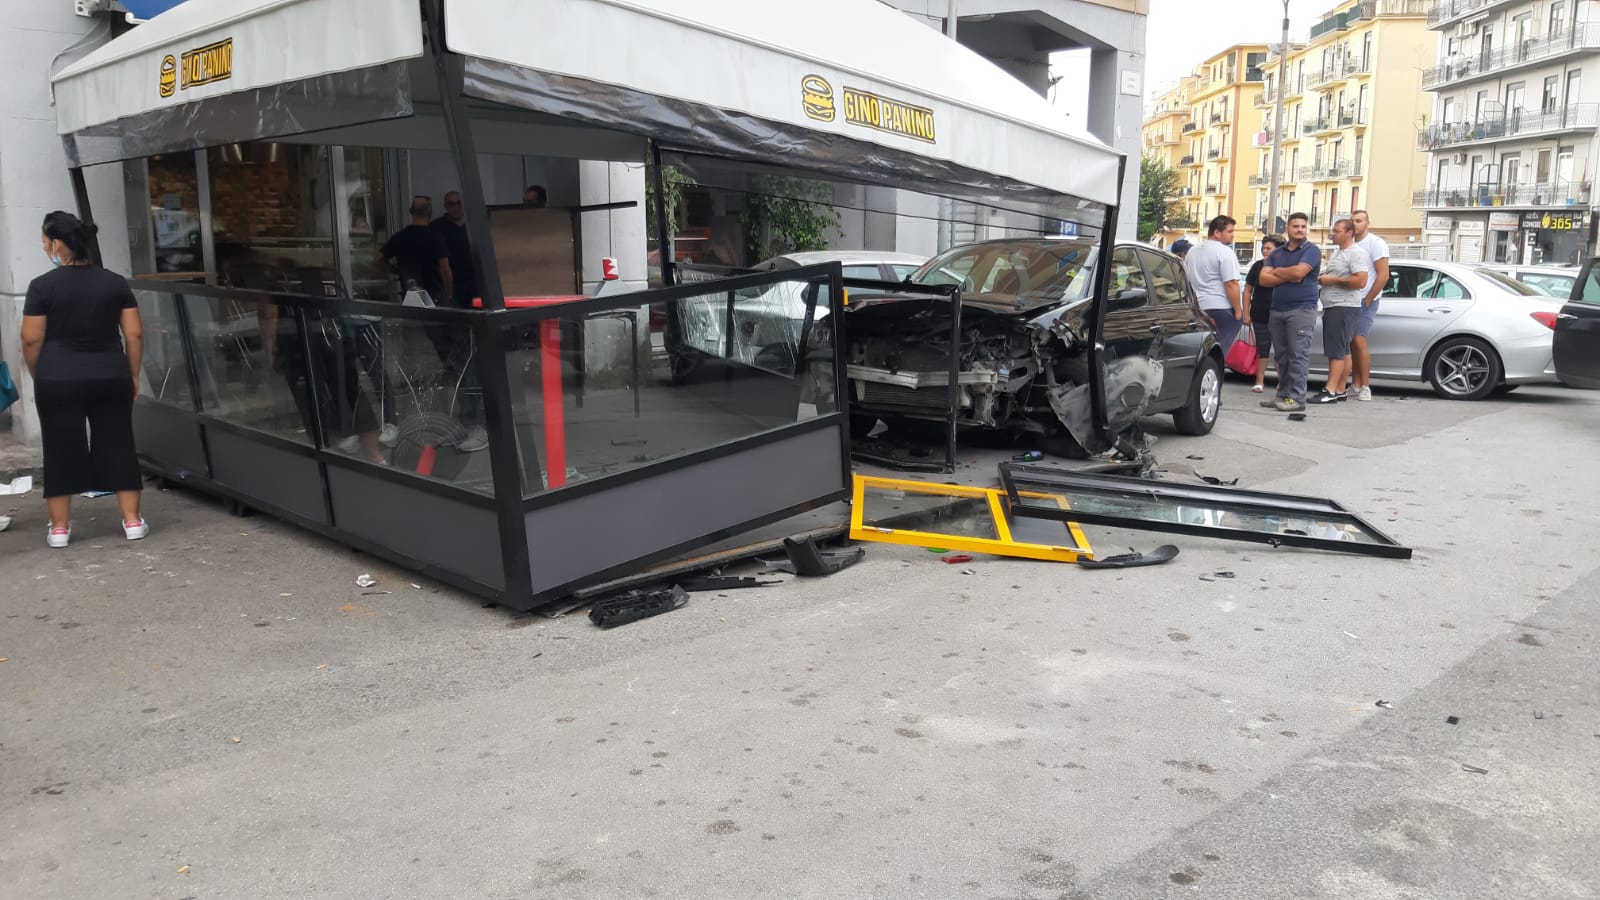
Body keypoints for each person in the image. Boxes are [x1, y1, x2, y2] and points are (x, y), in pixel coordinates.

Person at [19, 211, 147, 547]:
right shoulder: (114, 282)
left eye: (44, 241)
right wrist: (133, 373)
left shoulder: (41, 286)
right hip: (111, 374)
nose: (43, 246)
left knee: (60, 447)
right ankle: (132, 521)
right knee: (118, 442)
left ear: (57, 244)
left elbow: (31, 339)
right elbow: (134, 334)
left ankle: (60, 529)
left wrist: (39, 374)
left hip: (57, 377)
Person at [429, 190, 487, 452]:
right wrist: (449, 296)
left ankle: (479, 423)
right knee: (460, 363)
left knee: (473, 362)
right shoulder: (439, 228)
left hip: (477, 295)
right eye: (450, 204)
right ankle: (468, 421)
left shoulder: (476, 226)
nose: (454, 207)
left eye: (458, 203)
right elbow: (443, 266)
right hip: (455, 299)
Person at [1257, 212, 1322, 413]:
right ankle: (1283, 395)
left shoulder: (1311, 250)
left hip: (1301, 309)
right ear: (1288, 229)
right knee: (1282, 357)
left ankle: (1297, 399)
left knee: (1298, 356)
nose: (1300, 230)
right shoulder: (1277, 253)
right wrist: (1288, 274)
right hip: (1277, 309)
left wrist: (1277, 271)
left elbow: (1299, 273)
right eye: (1296, 226)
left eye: (1303, 226)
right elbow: (1263, 279)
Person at [1311, 219, 1370, 405]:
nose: (1333, 234)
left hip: (1343, 306)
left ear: (1349, 233)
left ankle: (1330, 390)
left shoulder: (1356, 253)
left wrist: (1333, 281)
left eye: (1337, 231)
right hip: (1334, 305)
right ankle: (1339, 389)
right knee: (1343, 350)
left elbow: (1361, 281)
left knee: (1336, 350)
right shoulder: (1338, 252)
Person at [1182, 216, 1245, 351]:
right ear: (1217, 232)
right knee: (1220, 348)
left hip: (1198, 307)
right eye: (1229, 231)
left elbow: (1187, 280)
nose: (1233, 235)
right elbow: (1231, 284)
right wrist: (1238, 311)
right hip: (1221, 306)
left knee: (1202, 347)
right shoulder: (1224, 252)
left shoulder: (1192, 252)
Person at [1349, 209, 1390, 401]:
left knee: (1359, 340)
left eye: (1359, 220)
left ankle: (1365, 386)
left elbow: (1383, 275)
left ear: (1367, 223)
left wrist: (1368, 299)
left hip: (1366, 299)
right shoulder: (1350, 243)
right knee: (1352, 343)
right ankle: (1356, 384)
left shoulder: (1375, 243)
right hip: (1350, 300)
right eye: (1352, 220)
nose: (1355, 223)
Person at [380, 196, 452, 305]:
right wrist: (448, 294)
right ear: (429, 212)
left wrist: (393, 269)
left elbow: (378, 259)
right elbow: (445, 269)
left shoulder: (400, 237)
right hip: (433, 295)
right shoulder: (435, 237)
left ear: (410, 211)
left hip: (410, 295)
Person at [1243, 234, 1283, 394]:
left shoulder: (1284, 267)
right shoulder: (1257, 266)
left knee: (1281, 350)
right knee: (1262, 349)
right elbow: (1247, 290)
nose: (1265, 251)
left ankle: (1282, 382)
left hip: (1280, 313)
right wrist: (1246, 313)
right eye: (1263, 248)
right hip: (1259, 313)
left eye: (1269, 248)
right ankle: (1259, 381)